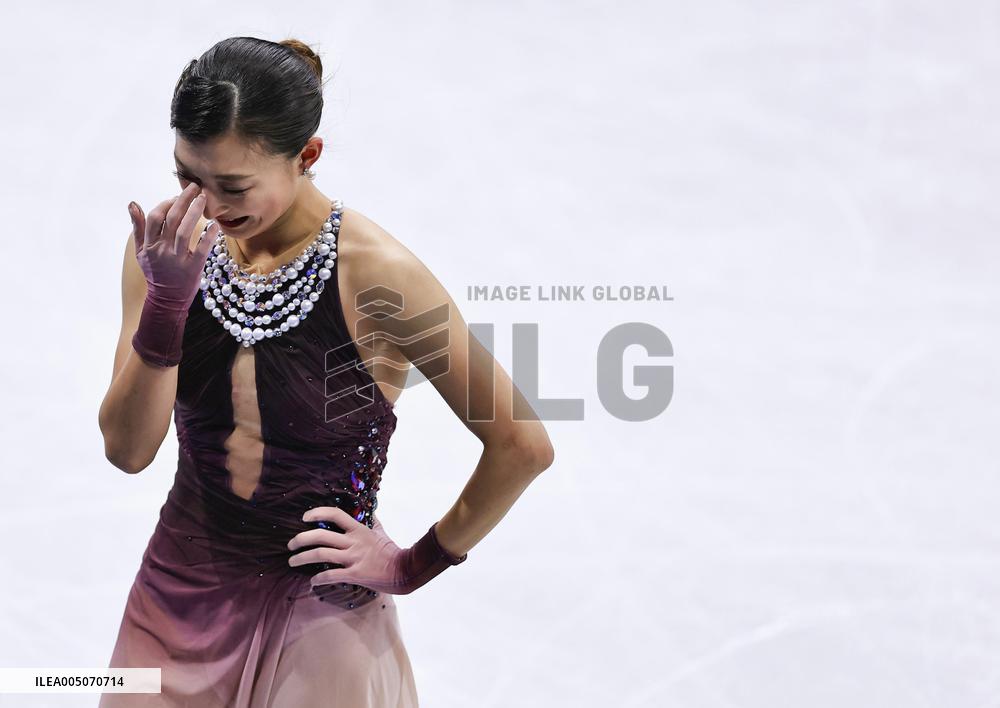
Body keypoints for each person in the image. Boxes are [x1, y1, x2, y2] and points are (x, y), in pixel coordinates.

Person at [97, 36, 555, 707]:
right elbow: (128, 449)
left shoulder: (379, 277)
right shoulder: (166, 254)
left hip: (319, 610)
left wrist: (412, 562)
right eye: (186, 178)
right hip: (179, 587)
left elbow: (522, 444)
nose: (205, 206)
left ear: (307, 156)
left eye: (233, 186)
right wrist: (166, 305)